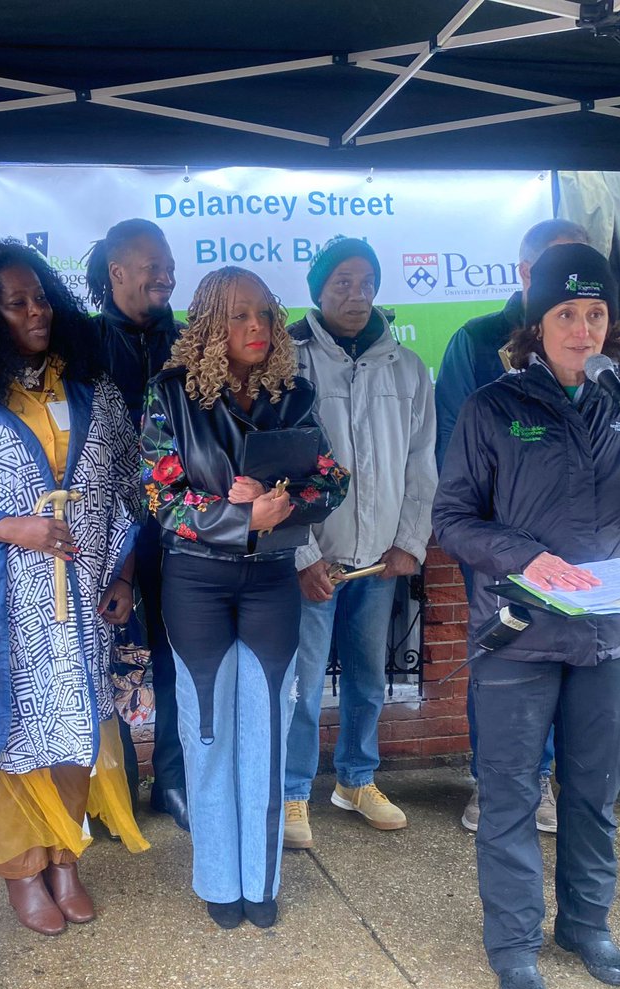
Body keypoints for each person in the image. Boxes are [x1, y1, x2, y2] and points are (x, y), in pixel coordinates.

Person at [432, 243, 620, 989]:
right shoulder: (494, 408)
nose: (582, 330)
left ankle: (584, 927)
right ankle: (514, 945)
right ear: (537, 321)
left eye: (594, 315)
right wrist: (528, 559)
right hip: (521, 633)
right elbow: (451, 520)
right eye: (566, 315)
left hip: (610, 635)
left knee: (590, 792)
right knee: (513, 793)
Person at [0, 239, 148, 937]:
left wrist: (125, 575)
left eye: (40, 296)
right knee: (6, 733)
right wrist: (11, 527)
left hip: (82, 596)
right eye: (16, 304)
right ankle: (21, 871)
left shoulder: (91, 391)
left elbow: (127, 490)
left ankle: (66, 860)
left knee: (79, 726)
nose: (36, 311)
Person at [141, 266, 347, 928]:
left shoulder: (294, 394)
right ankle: (217, 881)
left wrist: (286, 506)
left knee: (264, 728)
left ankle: (258, 883)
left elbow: (332, 480)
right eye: (237, 316)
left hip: (269, 582)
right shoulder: (168, 395)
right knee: (207, 732)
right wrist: (233, 519)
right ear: (206, 325)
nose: (255, 327)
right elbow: (156, 497)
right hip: (196, 581)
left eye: (263, 314)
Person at [435, 218, 590, 835]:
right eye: (555, 269)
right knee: (503, 661)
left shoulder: (601, 351)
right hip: (500, 547)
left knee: (571, 663)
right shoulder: (477, 340)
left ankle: (549, 781)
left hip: (581, 551)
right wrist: (505, 541)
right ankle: (494, 779)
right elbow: (455, 445)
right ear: (526, 274)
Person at [282, 236, 436, 849]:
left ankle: (356, 780)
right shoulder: (290, 363)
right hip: (314, 559)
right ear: (318, 290)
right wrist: (302, 554)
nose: (356, 293)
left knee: (369, 678)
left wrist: (409, 542)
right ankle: (295, 792)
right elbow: (276, 466)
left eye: (366, 281)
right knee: (302, 682)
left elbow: (423, 463)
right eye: (341, 282)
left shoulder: (406, 367)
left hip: (377, 561)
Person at [88, 218, 188, 828]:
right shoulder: (82, 342)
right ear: (116, 271)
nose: (164, 274)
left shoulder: (191, 344)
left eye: (168, 264)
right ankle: (118, 780)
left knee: (177, 653)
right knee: (108, 654)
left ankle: (173, 781)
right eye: (150, 265)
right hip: (106, 530)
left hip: (183, 524)